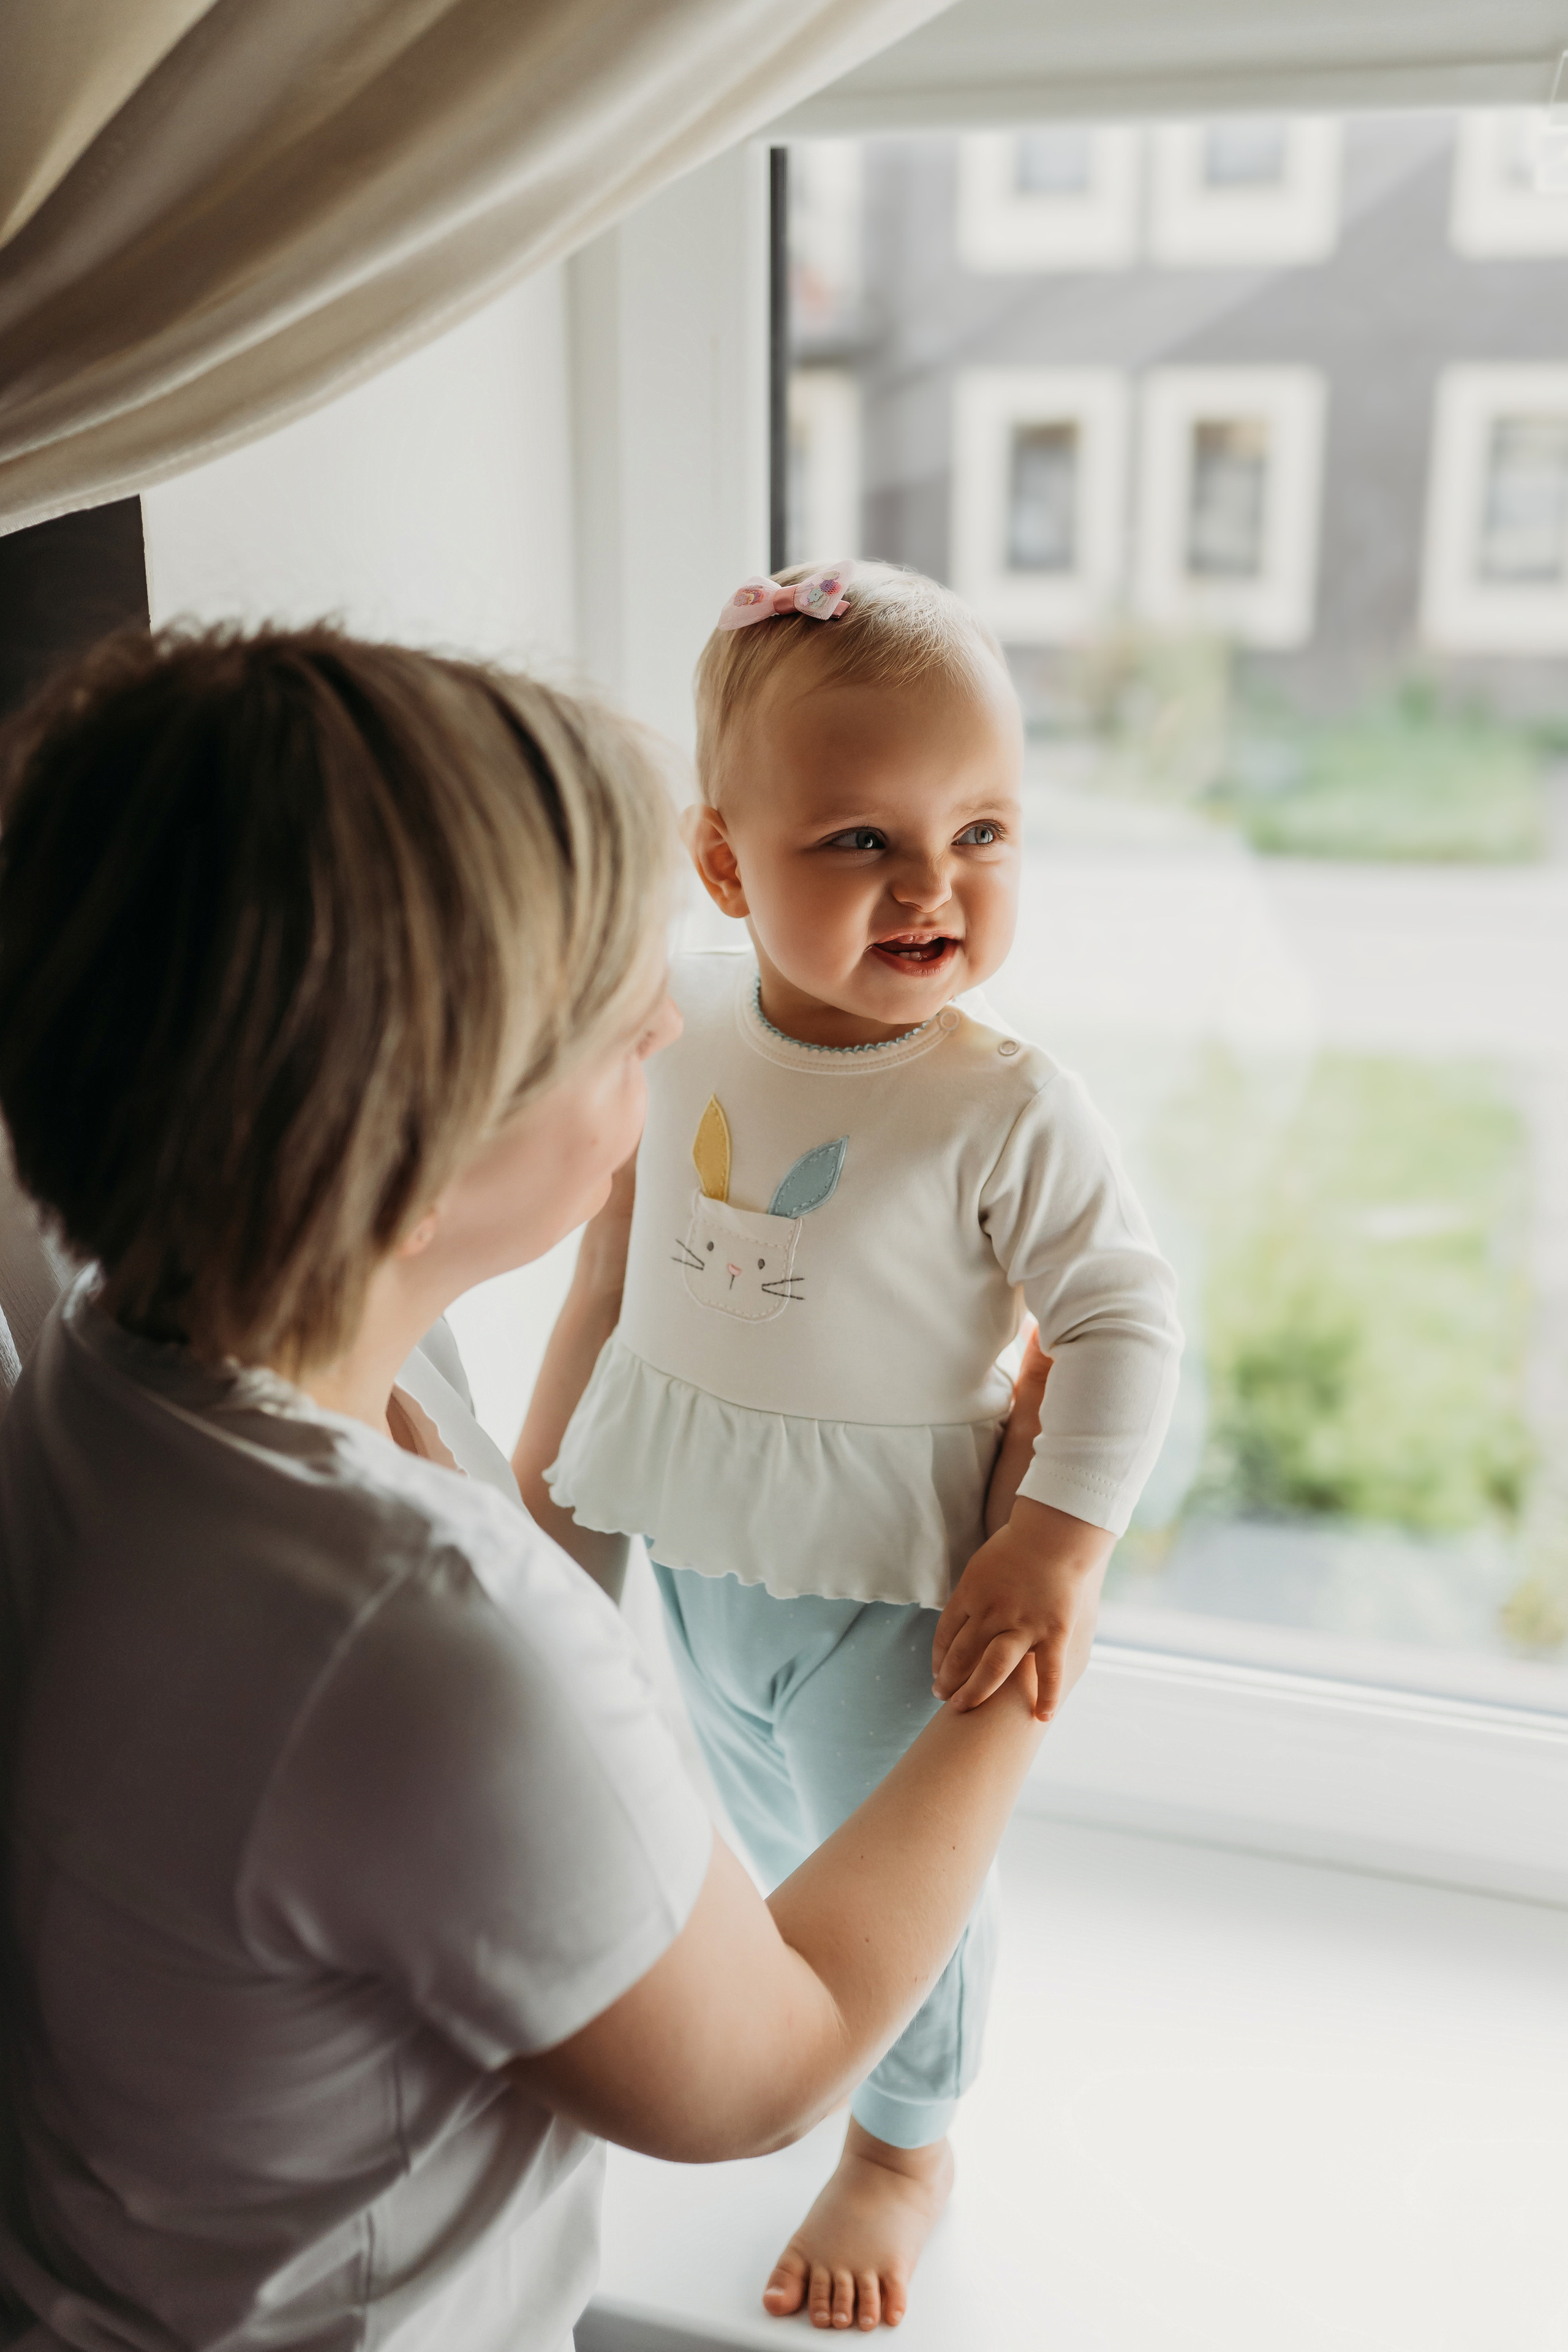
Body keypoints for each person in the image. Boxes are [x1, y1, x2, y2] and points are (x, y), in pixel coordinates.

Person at [0, 624, 1061, 2352]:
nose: (668, 1018)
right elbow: (760, 2074)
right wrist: (1020, 1637)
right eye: (608, 1024)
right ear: (399, 1159)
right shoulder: (418, 1652)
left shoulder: (107, 1367)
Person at [541, 560, 1183, 2329]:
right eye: (861, 844)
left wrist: (1053, 1541)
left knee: (905, 1878)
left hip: (901, 1586)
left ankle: (904, 2144)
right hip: (700, 1547)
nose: (934, 888)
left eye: (982, 831)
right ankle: (794, 2022)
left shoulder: (1001, 1105)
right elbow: (614, 1256)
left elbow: (1127, 1321)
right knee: (766, 1850)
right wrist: (552, 1494)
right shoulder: (671, 1020)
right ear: (729, 865)